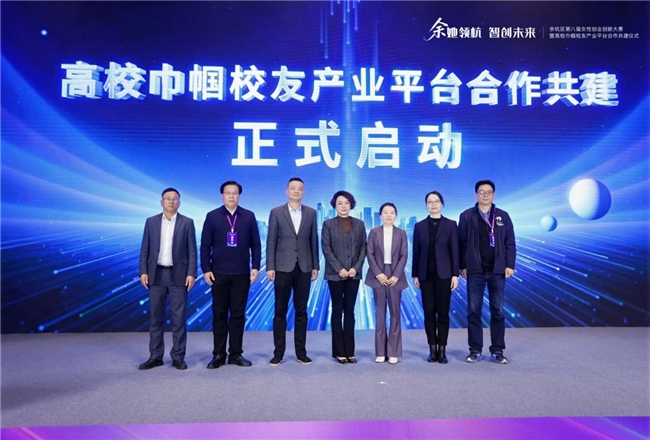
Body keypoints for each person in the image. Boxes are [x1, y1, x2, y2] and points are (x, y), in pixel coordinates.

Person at [201, 180, 261, 369]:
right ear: (222, 195)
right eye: (228, 193)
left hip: (242, 273)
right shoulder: (212, 216)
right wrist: (206, 269)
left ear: (239, 195)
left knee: (238, 314)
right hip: (218, 273)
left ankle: (236, 354)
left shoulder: (249, 216)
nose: (231, 196)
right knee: (219, 314)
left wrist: (256, 266)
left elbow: (256, 244)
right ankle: (218, 354)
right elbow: (205, 245)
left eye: (235, 193)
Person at [138, 188, 197, 370]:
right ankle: (155, 356)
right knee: (156, 318)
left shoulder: (187, 222)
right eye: (168, 198)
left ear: (179, 202)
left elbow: (192, 250)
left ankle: (178, 356)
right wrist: (143, 271)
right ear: (161, 201)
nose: (171, 201)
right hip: (156, 275)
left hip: (179, 275)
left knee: (179, 319)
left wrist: (191, 273)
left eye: (175, 199)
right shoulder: (151, 222)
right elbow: (145, 248)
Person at [459, 180, 516, 364]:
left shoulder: (503, 216)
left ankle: (497, 350)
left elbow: (510, 242)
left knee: (497, 311)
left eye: (488, 192)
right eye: (481, 192)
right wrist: (462, 265)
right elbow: (461, 244)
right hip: (475, 271)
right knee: (473, 311)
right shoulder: (467, 216)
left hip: (497, 270)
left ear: (494, 194)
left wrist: (509, 265)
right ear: (476, 194)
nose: (485, 195)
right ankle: (475, 350)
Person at [266, 177, 319, 366]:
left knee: (301, 311)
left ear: (303, 192)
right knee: (280, 311)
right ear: (286, 191)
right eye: (293, 188)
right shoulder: (276, 212)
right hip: (282, 267)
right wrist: (270, 266)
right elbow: (271, 240)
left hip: (304, 267)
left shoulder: (311, 213)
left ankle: (301, 353)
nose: (296, 191)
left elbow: (313, 240)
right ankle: (278, 353)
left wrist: (315, 266)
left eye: (300, 188)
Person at [412, 191, 459, 364]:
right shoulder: (419, 226)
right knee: (429, 313)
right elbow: (416, 251)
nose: (433, 204)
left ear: (442, 204)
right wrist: (415, 274)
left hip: (445, 275)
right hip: (425, 276)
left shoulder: (451, 225)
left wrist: (455, 274)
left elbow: (455, 251)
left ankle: (442, 350)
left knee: (443, 314)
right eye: (430, 202)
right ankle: (432, 349)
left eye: (436, 201)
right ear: (426, 205)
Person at [321, 190, 367, 364]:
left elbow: (363, 248)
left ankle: (350, 351)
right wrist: (339, 268)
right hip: (335, 275)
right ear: (334, 205)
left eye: (346, 202)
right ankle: (339, 351)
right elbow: (326, 248)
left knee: (349, 311)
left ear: (351, 205)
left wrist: (355, 268)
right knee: (337, 310)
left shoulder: (360, 224)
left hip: (354, 275)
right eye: (340, 203)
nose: (343, 206)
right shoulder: (328, 224)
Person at [365, 203, 408, 365]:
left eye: (392, 212)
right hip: (378, 275)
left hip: (395, 274)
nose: (389, 215)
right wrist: (378, 274)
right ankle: (381, 352)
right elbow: (370, 254)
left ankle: (393, 351)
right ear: (380, 215)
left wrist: (396, 276)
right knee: (380, 314)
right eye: (385, 212)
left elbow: (404, 255)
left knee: (395, 314)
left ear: (396, 215)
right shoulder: (374, 232)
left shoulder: (401, 233)